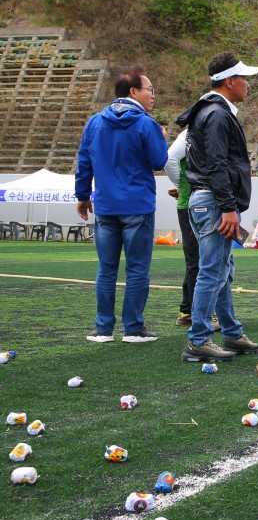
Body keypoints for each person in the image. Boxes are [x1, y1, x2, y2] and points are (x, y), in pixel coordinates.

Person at [175, 52, 258, 362]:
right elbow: (217, 163)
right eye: (244, 79)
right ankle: (198, 339)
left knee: (221, 271)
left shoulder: (208, 111)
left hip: (206, 200)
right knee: (213, 271)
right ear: (229, 81)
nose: (248, 84)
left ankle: (232, 332)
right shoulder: (218, 114)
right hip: (214, 202)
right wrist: (227, 207)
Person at [75, 67, 167, 344]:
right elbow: (158, 162)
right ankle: (133, 328)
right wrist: (160, 136)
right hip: (137, 205)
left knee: (106, 269)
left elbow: (84, 162)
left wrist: (83, 196)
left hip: (104, 206)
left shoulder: (94, 122)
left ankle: (103, 329)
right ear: (133, 92)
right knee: (137, 269)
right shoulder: (146, 124)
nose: (152, 95)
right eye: (149, 90)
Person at [165, 128, 220, 332]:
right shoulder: (190, 134)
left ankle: (188, 311)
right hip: (193, 205)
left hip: (197, 203)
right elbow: (169, 159)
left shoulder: (207, 132)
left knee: (198, 260)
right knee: (201, 260)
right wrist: (183, 185)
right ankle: (202, 313)